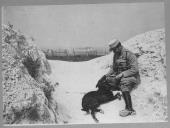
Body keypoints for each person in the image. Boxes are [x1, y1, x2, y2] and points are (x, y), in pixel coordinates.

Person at [104, 39, 141, 117]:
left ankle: (130, 109)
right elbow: (114, 68)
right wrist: (107, 75)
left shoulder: (129, 54)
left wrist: (122, 74)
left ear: (119, 46)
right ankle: (117, 90)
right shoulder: (116, 55)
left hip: (131, 77)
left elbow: (135, 69)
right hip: (119, 76)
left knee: (123, 82)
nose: (113, 51)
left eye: (114, 49)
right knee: (107, 80)